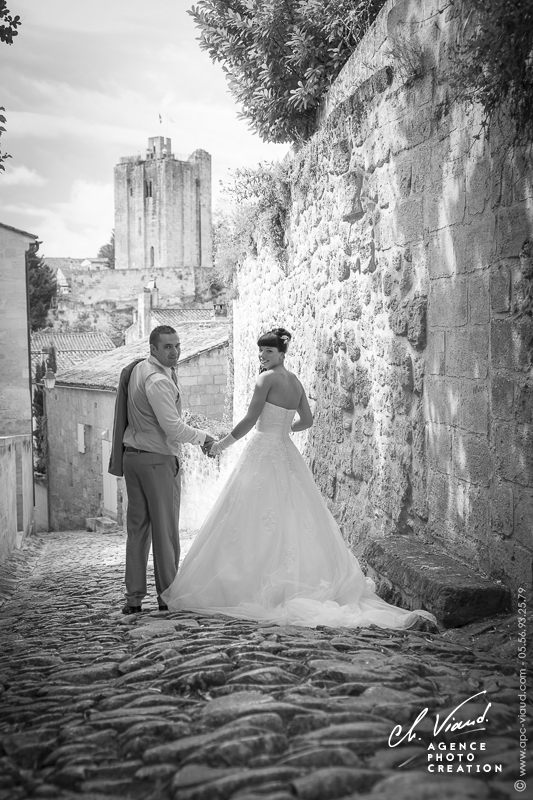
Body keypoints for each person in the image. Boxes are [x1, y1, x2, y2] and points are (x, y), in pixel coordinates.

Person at [162, 327, 436, 630]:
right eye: (260, 350)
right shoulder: (294, 382)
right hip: (284, 450)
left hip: (264, 449)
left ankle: (251, 583)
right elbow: (306, 420)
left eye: (268, 351)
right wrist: (284, 431)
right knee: (289, 515)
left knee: (250, 515)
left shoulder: (266, 379)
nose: (262, 355)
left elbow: (250, 421)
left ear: (281, 353)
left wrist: (220, 445)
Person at [112, 325, 214, 614]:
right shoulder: (157, 380)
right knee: (165, 530)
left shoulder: (139, 369)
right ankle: (168, 596)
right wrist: (204, 437)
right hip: (156, 459)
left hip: (133, 457)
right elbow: (173, 427)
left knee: (138, 529)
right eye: (168, 347)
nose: (175, 351)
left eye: (178, 345)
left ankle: (133, 599)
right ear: (153, 349)